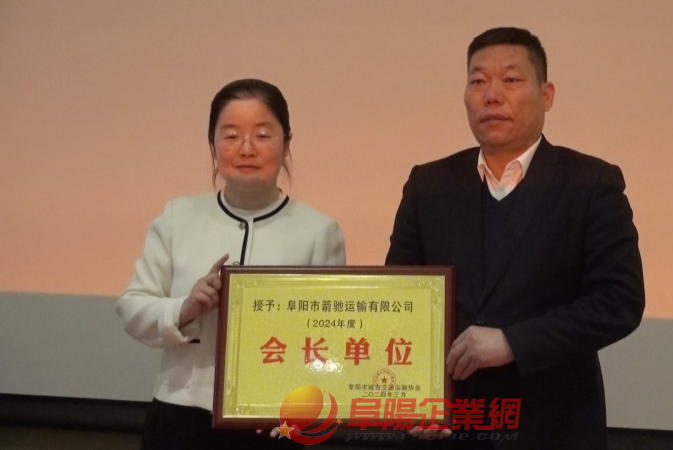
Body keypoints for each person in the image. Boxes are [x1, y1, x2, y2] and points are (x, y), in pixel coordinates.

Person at [386, 27, 644, 449]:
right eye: (477, 81)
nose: (492, 95)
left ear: (546, 95)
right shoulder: (428, 184)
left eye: (510, 79)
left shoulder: (591, 183)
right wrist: (414, 393)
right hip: (448, 424)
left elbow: (619, 301)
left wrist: (512, 342)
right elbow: (400, 300)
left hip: (551, 425)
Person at [118, 79, 345, 450]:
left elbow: (331, 337)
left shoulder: (319, 232)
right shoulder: (178, 218)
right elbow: (131, 308)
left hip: (273, 419)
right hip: (181, 415)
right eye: (231, 136)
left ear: (287, 143)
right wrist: (185, 308)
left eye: (263, 135)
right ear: (213, 144)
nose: (247, 148)